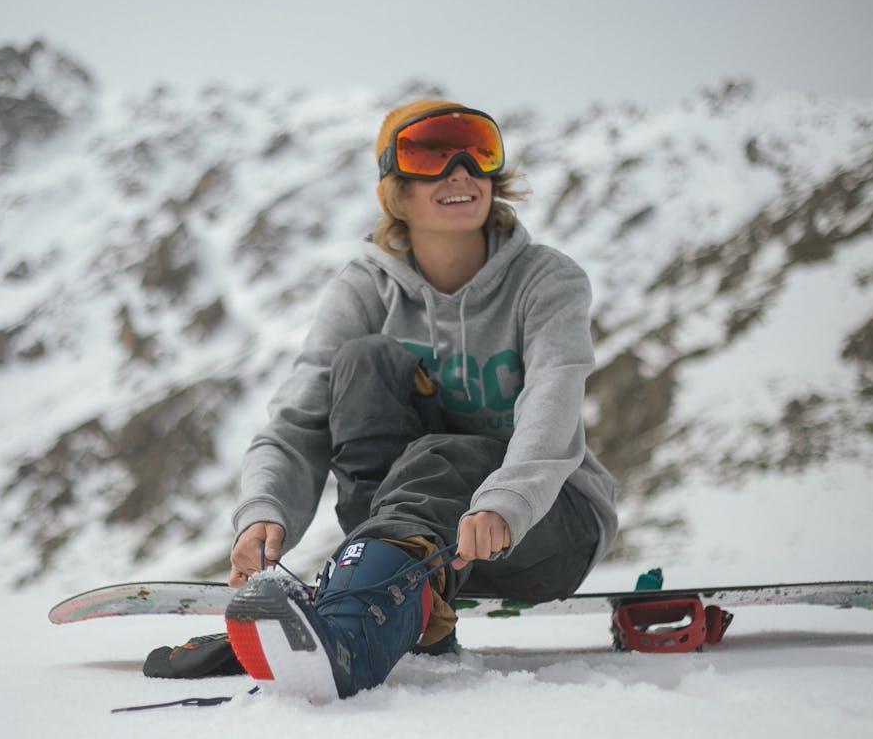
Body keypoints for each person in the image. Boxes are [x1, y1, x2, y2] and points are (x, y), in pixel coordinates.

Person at [208, 99, 616, 700]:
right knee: (363, 361)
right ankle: (387, 591)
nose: (459, 172)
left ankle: (356, 638)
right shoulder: (367, 286)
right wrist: (263, 511)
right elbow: (298, 418)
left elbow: (553, 403)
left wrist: (505, 502)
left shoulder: (547, 281)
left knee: (450, 452)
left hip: (543, 523)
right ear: (395, 189)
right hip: (425, 539)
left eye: (477, 151)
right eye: (429, 154)